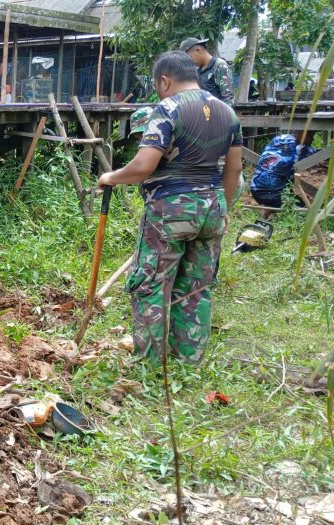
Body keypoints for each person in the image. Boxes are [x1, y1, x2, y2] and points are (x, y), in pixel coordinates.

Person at [98, 51, 243, 364]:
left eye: (157, 84)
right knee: (195, 288)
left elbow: (143, 166)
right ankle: (188, 360)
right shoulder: (228, 112)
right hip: (213, 207)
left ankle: (149, 363)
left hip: (172, 208)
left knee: (150, 284)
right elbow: (234, 169)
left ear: (164, 80)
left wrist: (111, 176)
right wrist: (224, 208)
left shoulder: (169, 107)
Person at [180, 37, 234, 105]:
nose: (189, 61)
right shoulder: (197, 70)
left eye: (190, 57)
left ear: (198, 50)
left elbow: (228, 98)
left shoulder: (219, 66)